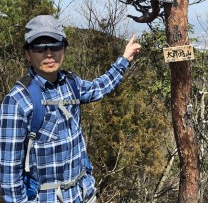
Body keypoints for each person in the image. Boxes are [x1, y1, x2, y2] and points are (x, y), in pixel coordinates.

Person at [0, 14, 141, 203]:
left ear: (64, 49)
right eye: (40, 47)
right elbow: (10, 176)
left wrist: (124, 59)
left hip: (84, 194)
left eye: (56, 46)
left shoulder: (71, 84)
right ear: (27, 53)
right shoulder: (17, 101)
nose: (49, 54)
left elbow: (99, 87)